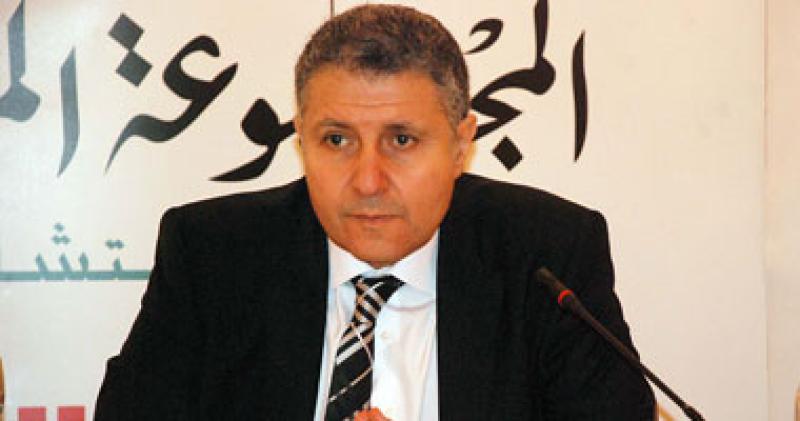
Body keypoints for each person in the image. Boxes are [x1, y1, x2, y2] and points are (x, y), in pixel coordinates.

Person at [95, 4, 655, 420]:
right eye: (336, 140)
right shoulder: (213, 256)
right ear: (301, 140)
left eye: (402, 140)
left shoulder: (547, 256)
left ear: (461, 144)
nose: (367, 181)